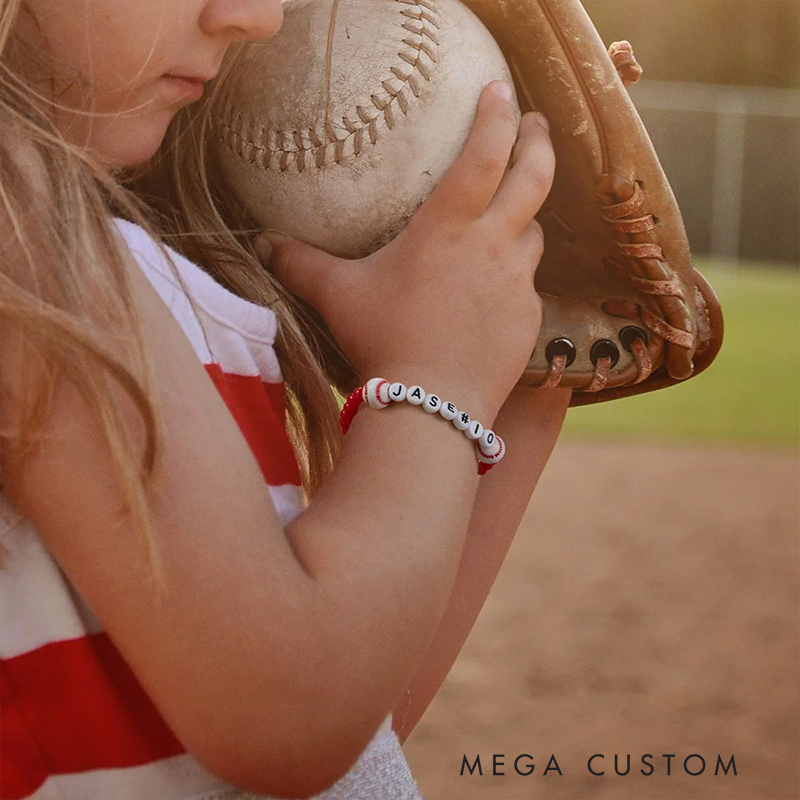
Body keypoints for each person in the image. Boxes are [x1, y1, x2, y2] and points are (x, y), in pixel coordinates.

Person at [0, 1, 571, 798]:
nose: (258, 18)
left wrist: (525, 373)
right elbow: (292, 713)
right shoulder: (26, 251)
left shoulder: (81, 255)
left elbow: (354, 736)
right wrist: (437, 378)